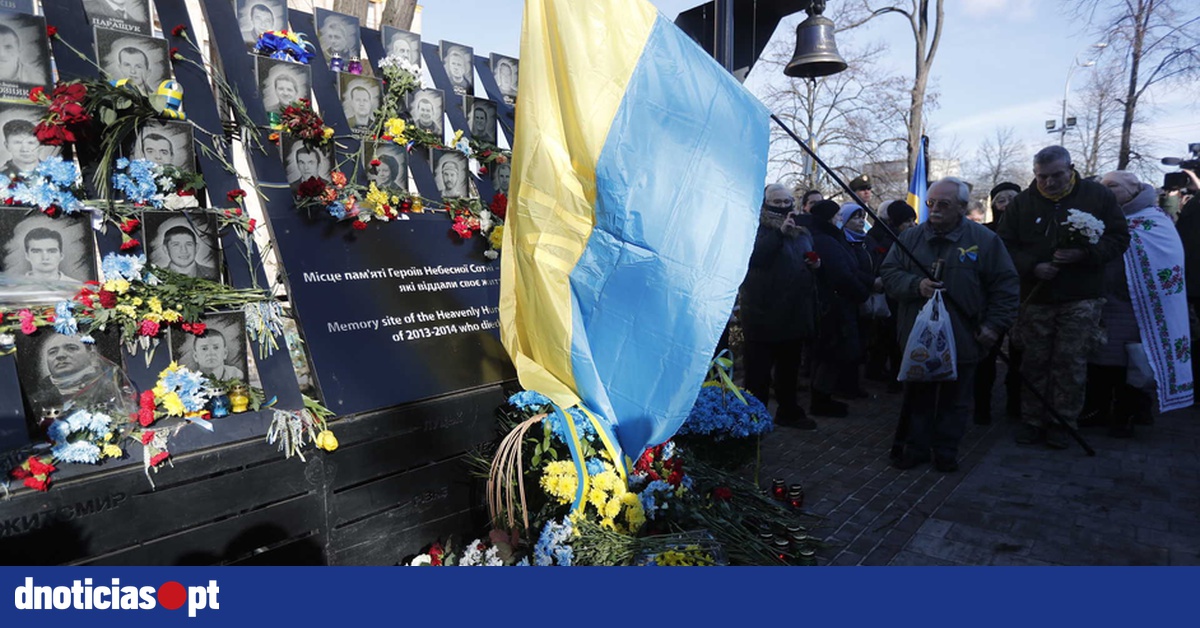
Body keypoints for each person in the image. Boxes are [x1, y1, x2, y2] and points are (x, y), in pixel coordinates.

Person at [881, 177, 1020, 471]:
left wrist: (994, 325)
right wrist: (916, 285)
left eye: (943, 204)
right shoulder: (910, 239)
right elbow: (889, 273)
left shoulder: (984, 240)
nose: (935, 209)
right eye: (930, 203)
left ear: (961, 206)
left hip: (963, 334)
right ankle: (916, 447)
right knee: (918, 397)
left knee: (956, 399)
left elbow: (1005, 286)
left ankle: (945, 449)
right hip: (918, 336)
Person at [997, 145, 1130, 449]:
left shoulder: (1097, 196)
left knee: (1070, 362)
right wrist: (1032, 267)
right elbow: (1004, 246)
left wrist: (1085, 253)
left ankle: (1062, 421)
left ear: (1071, 168)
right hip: (1037, 296)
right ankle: (1032, 420)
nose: (1049, 183)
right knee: (1035, 361)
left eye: (1056, 175)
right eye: (1042, 177)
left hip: (1081, 295)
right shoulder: (1023, 204)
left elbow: (1119, 238)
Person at [1083, 171, 1192, 436]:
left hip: (1139, 308)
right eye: (1103, 187)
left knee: (1130, 364)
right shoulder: (1101, 218)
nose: (1106, 191)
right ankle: (1096, 409)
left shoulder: (1154, 221)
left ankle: (1127, 415)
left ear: (1132, 190)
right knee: (1099, 360)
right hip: (1105, 304)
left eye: (1113, 187)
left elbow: (1166, 261)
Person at [741, 183, 821, 430]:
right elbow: (755, 258)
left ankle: (789, 411)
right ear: (765, 203)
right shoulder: (755, 228)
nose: (784, 206)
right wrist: (779, 234)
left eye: (787, 200)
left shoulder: (802, 231)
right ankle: (755, 418)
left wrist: (815, 265)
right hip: (762, 313)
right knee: (758, 373)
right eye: (777, 202)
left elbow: (805, 257)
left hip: (794, 311)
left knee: (789, 370)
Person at [808, 199, 874, 417]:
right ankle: (821, 400)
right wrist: (863, 293)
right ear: (828, 218)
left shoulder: (829, 237)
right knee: (830, 354)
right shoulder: (825, 240)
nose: (839, 220)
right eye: (837, 216)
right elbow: (842, 274)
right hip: (833, 306)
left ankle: (823, 397)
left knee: (829, 354)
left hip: (834, 304)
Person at [974, 181, 1024, 423]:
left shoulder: (1031, 232)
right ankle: (981, 406)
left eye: (1012, 200)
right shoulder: (985, 233)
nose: (1007, 206)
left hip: (1025, 302)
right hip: (991, 304)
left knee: (1020, 358)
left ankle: (1016, 404)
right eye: (1001, 201)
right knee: (986, 358)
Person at [864, 200, 917, 391]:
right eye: (907, 221)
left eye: (913, 220)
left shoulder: (904, 238)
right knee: (892, 338)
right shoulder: (889, 241)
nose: (912, 225)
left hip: (897, 296)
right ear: (895, 223)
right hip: (890, 296)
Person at [26, 334, 125, 434]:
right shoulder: (37, 400)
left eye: (71, 348)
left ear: (92, 356)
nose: (60, 355)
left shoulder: (109, 388)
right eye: (53, 352)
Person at [837, 203, 877, 399]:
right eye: (855, 217)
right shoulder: (842, 242)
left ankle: (855, 383)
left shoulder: (866, 241)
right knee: (850, 345)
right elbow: (850, 270)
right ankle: (847, 385)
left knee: (863, 341)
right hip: (850, 298)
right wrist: (870, 282)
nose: (861, 221)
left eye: (862, 217)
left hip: (868, 295)